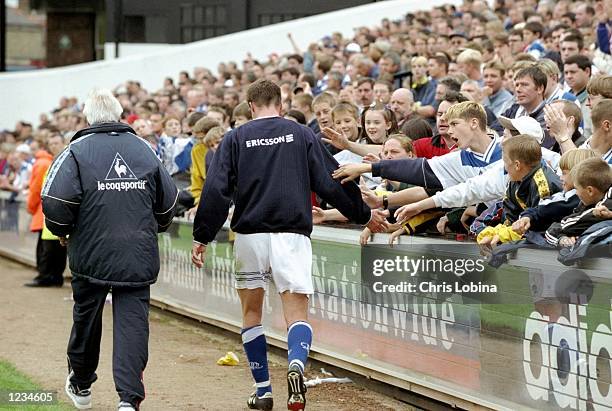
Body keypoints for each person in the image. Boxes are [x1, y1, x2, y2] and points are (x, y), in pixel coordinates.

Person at [190, 79, 387, 411]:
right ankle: (296, 365)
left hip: (250, 236)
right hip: (292, 235)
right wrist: (363, 214)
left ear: (251, 106)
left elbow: (215, 188)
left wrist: (202, 235)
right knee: (296, 314)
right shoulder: (301, 134)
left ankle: (263, 391)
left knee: (251, 313)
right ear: (280, 104)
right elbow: (331, 180)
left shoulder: (236, 137)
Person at [41, 89, 178, 411]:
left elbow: (55, 202)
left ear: (88, 118)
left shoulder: (75, 151)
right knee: (132, 324)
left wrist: (63, 232)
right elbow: (169, 200)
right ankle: (128, 400)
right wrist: (153, 225)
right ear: (119, 115)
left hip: (90, 252)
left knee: (86, 318)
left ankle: (82, 381)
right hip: (137, 253)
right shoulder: (144, 149)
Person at [25, 138, 61, 287]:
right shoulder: (49, 162)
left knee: (48, 247)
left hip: (46, 211)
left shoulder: (42, 163)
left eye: (56, 143)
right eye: (51, 143)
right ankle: (53, 276)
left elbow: (36, 189)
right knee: (53, 247)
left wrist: (31, 207)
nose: (53, 146)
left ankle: (46, 276)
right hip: (48, 210)